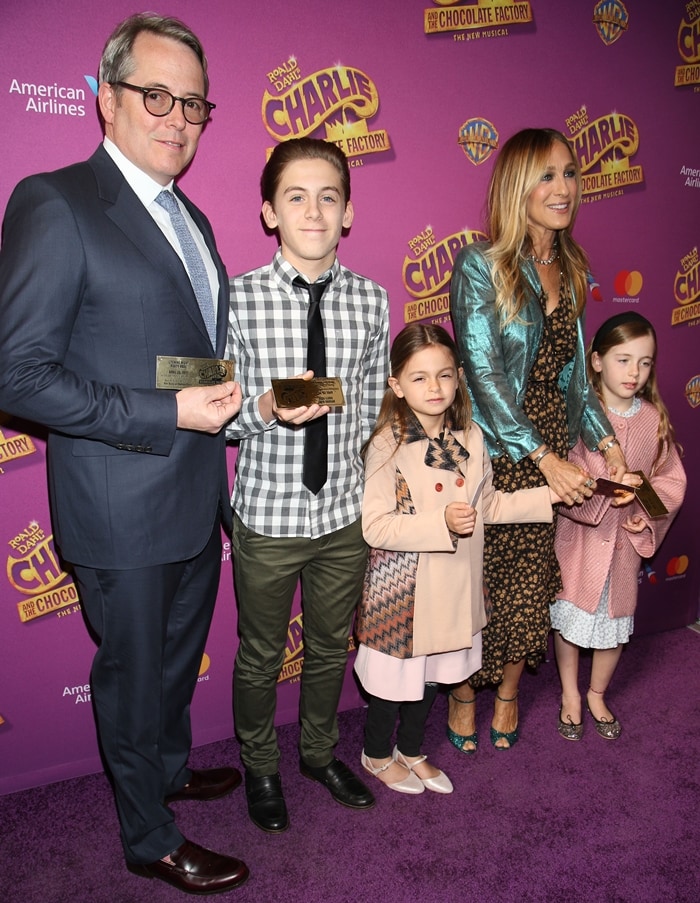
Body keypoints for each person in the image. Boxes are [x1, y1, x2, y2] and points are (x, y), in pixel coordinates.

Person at [0, 14, 248, 895]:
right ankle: (148, 834)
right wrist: (166, 410)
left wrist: (227, 401)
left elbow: (173, 351)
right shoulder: (55, 201)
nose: (176, 117)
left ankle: (168, 771)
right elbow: (17, 374)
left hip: (192, 490)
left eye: (192, 102)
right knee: (135, 676)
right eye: (155, 95)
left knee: (176, 662)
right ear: (105, 98)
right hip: (118, 503)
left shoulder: (194, 215)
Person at [226, 138, 390, 831]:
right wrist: (263, 407)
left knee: (330, 646)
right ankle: (260, 764)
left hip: (345, 514)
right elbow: (218, 411)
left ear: (348, 212)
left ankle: (319, 752)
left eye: (329, 196)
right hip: (266, 514)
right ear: (269, 211)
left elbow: (377, 403)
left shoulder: (373, 301)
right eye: (296, 196)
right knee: (261, 653)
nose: (314, 210)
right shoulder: (237, 296)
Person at [448, 127, 627, 752]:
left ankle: (506, 693)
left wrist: (605, 442)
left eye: (571, 173)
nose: (563, 188)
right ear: (517, 185)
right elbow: (482, 371)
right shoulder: (480, 263)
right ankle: (465, 692)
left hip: (552, 444)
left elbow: (575, 375)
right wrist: (542, 457)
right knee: (475, 582)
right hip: (498, 447)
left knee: (528, 582)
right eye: (546, 175)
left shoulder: (573, 266)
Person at [355, 324, 559, 795]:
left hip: (454, 584)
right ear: (396, 384)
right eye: (420, 377)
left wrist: (554, 495)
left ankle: (411, 749)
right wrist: (440, 522)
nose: (434, 388)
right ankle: (377, 754)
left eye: (444, 375)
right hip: (402, 590)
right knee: (394, 682)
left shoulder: (469, 437)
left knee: (432, 678)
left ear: (459, 378)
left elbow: (489, 507)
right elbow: (376, 526)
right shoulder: (388, 442)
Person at [551, 312, 686, 740]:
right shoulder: (577, 414)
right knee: (570, 622)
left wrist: (640, 505)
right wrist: (601, 491)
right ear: (596, 361)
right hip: (580, 543)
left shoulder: (654, 420)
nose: (634, 372)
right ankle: (570, 693)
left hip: (623, 546)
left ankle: (596, 693)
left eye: (645, 363)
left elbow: (670, 482)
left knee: (613, 627)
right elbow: (564, 475)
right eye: (623, 360)